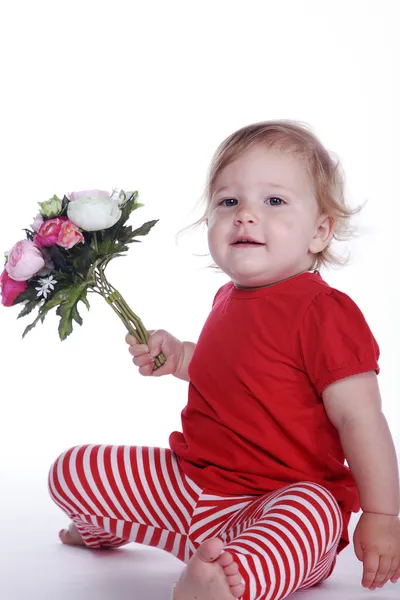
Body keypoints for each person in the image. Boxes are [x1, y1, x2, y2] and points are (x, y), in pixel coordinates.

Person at [48, 120, 400, 600]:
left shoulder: (324, 312)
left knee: (313, 512)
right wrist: (180, 358)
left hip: (278, 500)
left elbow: (362, 419)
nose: (245, 215)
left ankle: (228, 578)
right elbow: (232, 372)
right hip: (196, 486)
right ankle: (111, 526)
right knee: (73, 469)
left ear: (319, 232)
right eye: (228, 201)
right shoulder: (227, 297)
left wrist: (382, 515)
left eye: (274, 201)